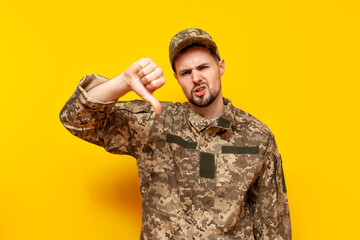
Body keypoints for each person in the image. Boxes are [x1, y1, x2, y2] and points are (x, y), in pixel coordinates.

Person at [60, 28, 291, 239]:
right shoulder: (155, 122)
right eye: (186, 72)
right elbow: (74, 119)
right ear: (177, 79)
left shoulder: (258, 136)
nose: (196, 78)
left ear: (220, 66)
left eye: (203, 67)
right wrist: (123, 82)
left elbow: (273, 223)